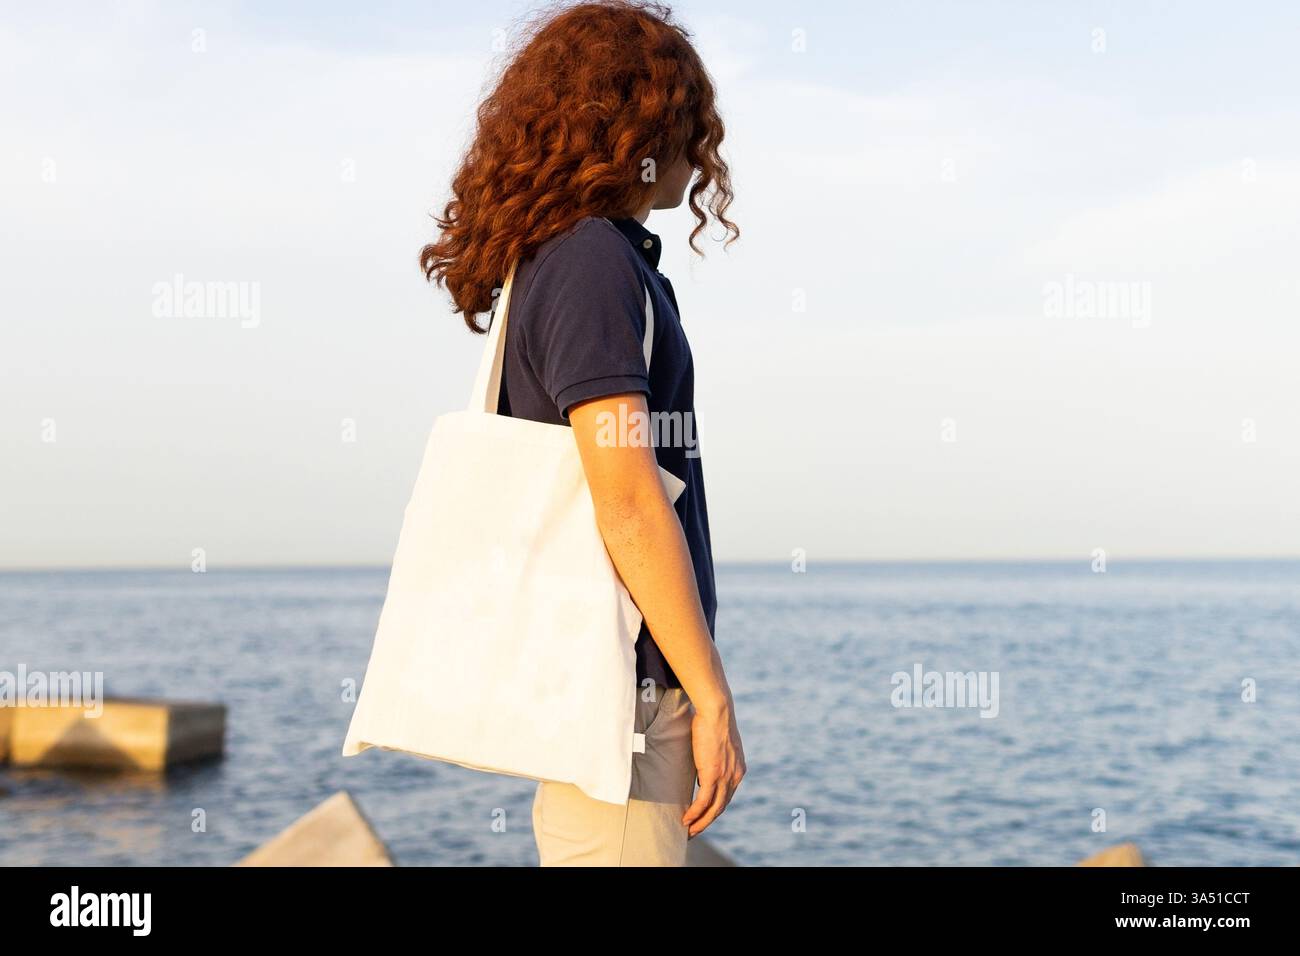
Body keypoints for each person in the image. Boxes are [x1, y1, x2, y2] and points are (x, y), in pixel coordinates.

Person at [419, 0, 744, 866]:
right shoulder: (594, 261)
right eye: (691, 114)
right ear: (642, 123)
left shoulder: (572, 259)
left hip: (601, 688)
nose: (704, 142)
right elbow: (628, 498)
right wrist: (708, 695)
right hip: (623, 699)